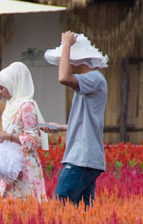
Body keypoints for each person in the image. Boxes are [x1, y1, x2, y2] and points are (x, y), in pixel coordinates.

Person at [43, 31, 108, 207]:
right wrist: (62, 127)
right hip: (84, 158)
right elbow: (88, 120)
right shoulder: (89, 83)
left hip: (82, 158)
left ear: (77, 60)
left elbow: (63, 77)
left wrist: (66, 45)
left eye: (68, 59)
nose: (65, 63)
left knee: (60, 207)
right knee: (82, 214)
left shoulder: (94, 79)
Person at [0, 61, 48, 201]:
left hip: (26, 169)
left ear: (13, 85)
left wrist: (9, 137)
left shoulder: (27, 106)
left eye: (1, 88)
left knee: (27, 211)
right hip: (11, 167)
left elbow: (34, 141)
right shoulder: (10, 106)